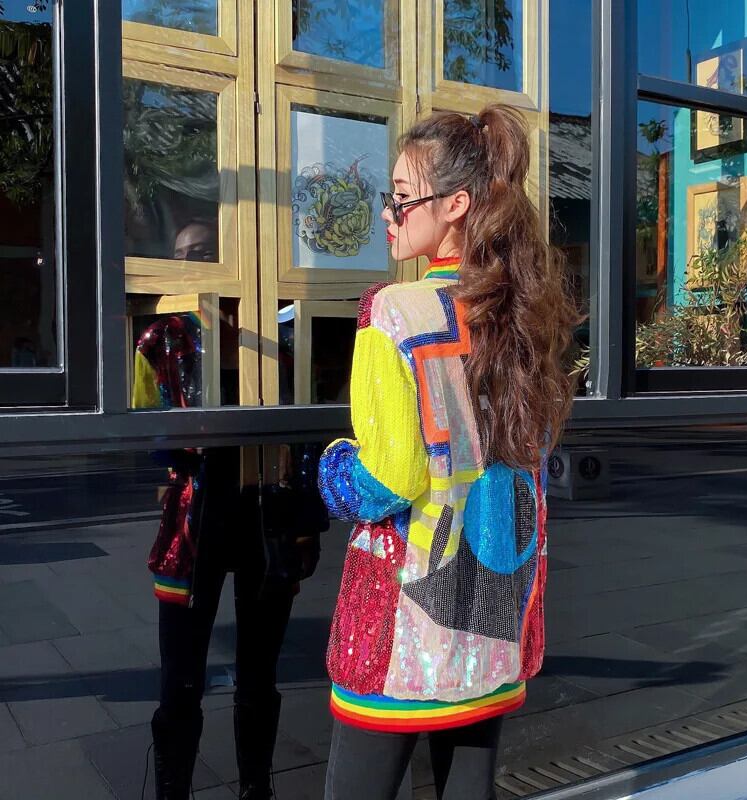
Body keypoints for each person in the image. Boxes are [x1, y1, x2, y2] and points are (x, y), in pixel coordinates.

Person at [317, 105, 580, 800]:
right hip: (493, 614)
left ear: (456, 204)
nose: (388, 214)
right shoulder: (520, 317)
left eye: (402, 198)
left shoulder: (392, 312)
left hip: (404, 624)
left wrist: (330, 467)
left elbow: (389, 478)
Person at [132, 223, 328, 800]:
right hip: (193, 523)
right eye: (186, 255)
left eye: (206, 253)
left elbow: (304, 434)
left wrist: (307, 520)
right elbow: (146, 430)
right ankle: (173, 790)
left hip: (268, 518)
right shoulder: (160, 339)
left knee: (260, 675)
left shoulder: (277, 334)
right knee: (180, 680)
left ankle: (256, 788)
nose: (197, 263)